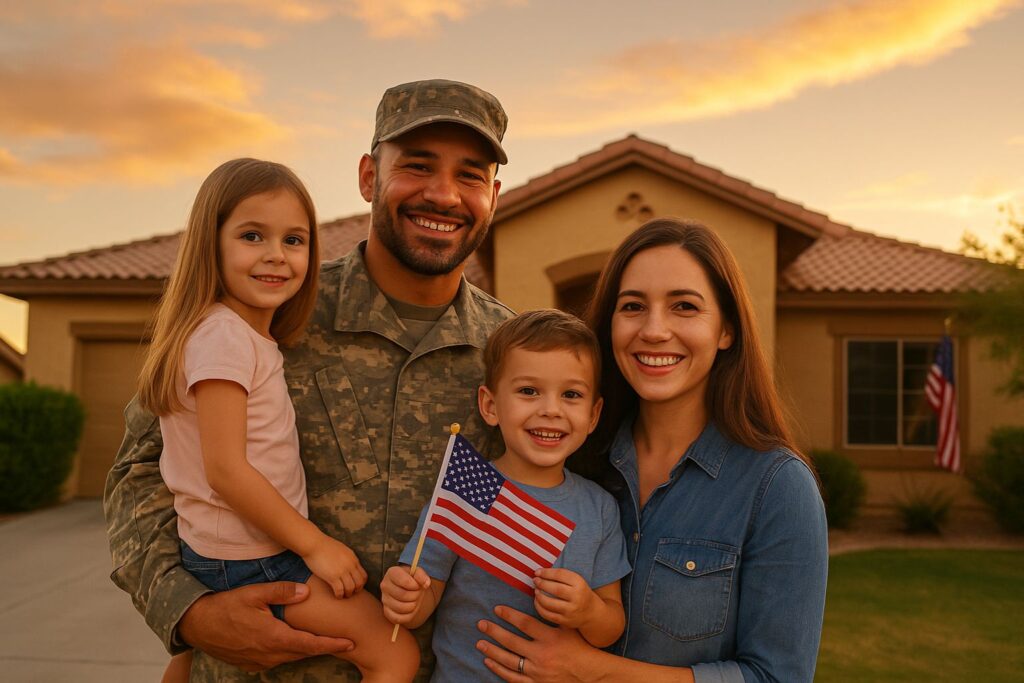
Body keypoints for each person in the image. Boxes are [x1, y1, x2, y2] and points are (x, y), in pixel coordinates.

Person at [104, 79, 515, 682]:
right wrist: (187, 612)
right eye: (418, 166)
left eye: (471, 175)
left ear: (494, 196)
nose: (443, 194)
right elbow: (140, 472)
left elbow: (532, 498)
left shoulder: (514, 358)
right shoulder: (268, 312)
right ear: (369, 176)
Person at [475, 218, 828, 682]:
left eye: (684, 306)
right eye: (633, 306)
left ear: (726, 330)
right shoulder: (569, 456)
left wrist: (590, 670)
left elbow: (777, 677)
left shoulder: (778, 487)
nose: (654, 330)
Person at [140, 158, 419, 683]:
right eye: (252, 236)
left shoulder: (232, 333)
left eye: (294, 240)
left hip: (218, 550)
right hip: (254, 558)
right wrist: (317, 546)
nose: (276, 256)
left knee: (187, 660)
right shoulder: (224, 338)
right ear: (210, 243)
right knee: (394, 654)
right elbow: (225, 469)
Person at [381, 309, 631, 682]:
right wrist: (406, 598)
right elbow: (423, 598)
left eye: (571, 394)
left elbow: (611, 625)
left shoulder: (599, 508)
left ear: (593, 415)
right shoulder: (467, 487)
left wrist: (587, 611)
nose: (550, 410)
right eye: (528, 391)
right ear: (491, 405)